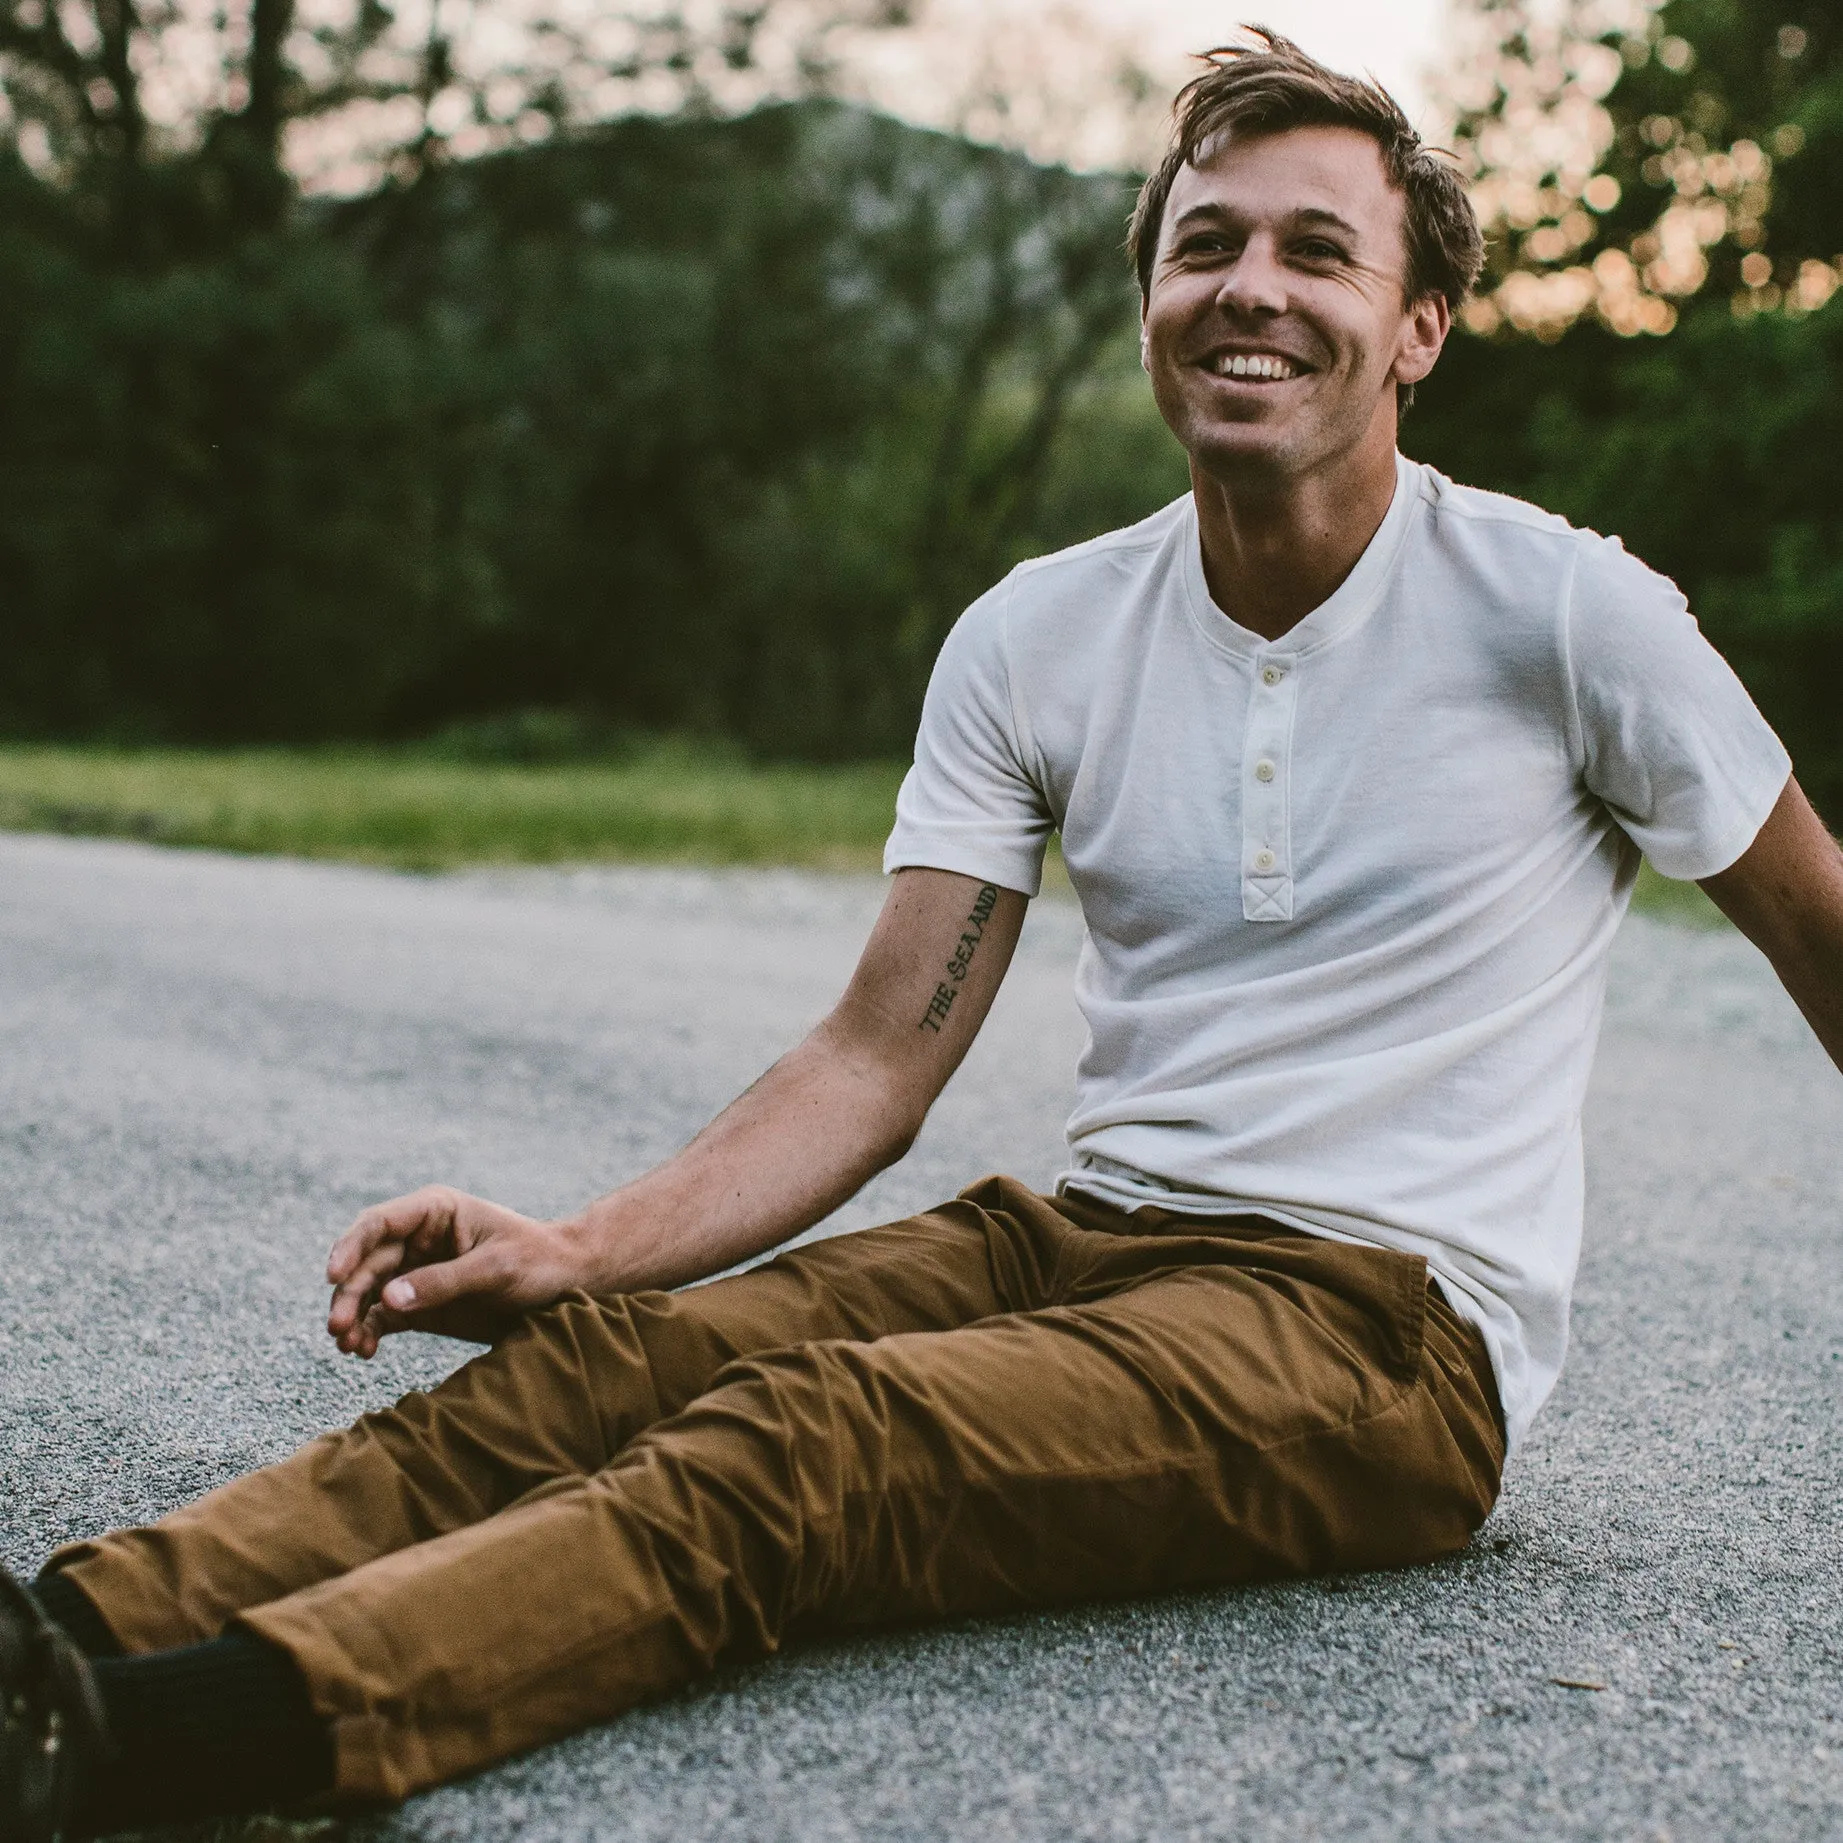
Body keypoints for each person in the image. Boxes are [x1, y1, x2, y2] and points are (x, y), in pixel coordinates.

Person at [6, 26, 1841, 1841]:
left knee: (809, 1453)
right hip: (1092, 1236)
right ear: (1147, 300)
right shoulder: (1042, 632)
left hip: (1383, 1333)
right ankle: (61, 1638)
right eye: (1202, 245)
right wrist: (585, 1246)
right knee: (591, 1371)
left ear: (1418, 327)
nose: (1245, 290)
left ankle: (170, 1747)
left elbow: (1815, 926)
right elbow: (875, 1055)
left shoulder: (1567, 617)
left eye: (1313, 249)